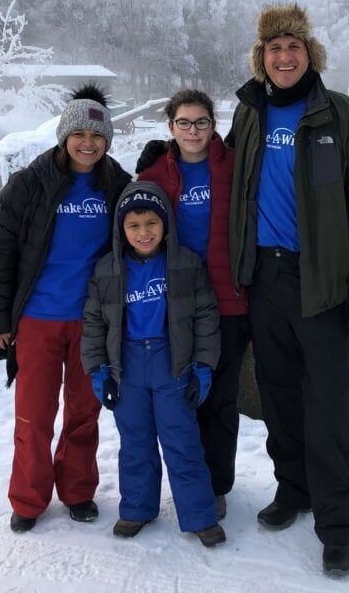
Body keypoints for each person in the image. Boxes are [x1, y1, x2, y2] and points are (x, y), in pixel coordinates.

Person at [227, 4, 349, 577]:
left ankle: (340, 526)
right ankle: (294, 489)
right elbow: (223, 178)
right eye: (273, 48)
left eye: (293, 46)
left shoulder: (341, 117)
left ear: (310, 53)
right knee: (278, 396)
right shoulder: (248, 116)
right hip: (264, 280)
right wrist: (165, 162)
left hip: (320, 284)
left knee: (331, 408)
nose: (283, 56)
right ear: (262, 58)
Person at [0, 84, 131, 533]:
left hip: (91, 321)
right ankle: (28, 497)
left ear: (108, 142)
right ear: (64, 136)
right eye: (79, 133)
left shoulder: (117, 184)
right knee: (34, 415)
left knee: (84, 411)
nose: (88, 143)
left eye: (98, 136)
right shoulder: (31, 182)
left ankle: (78, 490)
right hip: (38, 319)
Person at [81, 181, 226, 547]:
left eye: (151, 224)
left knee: (182, 441)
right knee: (135, 442)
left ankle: (199, 514)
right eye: (134, 226)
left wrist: (203, 365)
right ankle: (137, 508)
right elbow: (95, 321)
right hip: (126, 366)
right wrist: (98, 370)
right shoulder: (108, 269)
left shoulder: (185, 264)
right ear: (121, 229)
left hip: (171, 363)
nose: (144, 233)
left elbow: (206, 315)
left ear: (165, 225)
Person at [136, 89, 250, 520]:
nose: (193, 131)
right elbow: (134, 225)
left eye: (201, 122)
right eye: (183, 123)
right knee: (182, 397)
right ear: (170, 128)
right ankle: (189, 478)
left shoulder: (236, 166)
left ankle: (217, 484)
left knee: (221, 399)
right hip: (175, 303)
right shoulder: (154, 173)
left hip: (229, 301)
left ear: (213, 125)